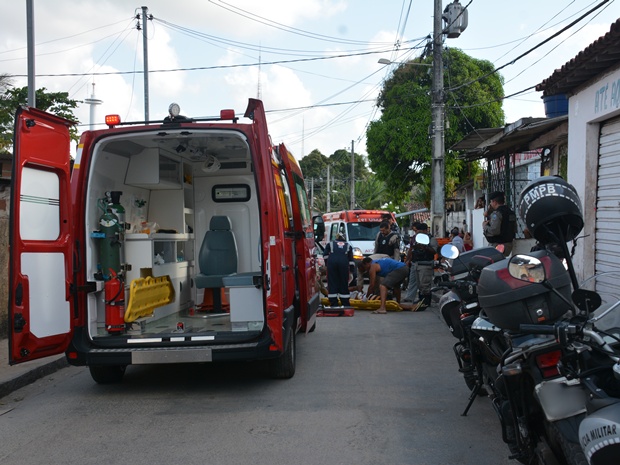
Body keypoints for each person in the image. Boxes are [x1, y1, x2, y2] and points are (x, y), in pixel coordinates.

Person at [410, 223, 438, 311]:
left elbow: (434, 251)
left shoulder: (431, 239)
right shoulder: (418, 238)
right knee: (419, 284)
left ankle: (425, 302)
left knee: (425, 284)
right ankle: (421, 300)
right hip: (417, 263)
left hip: (426, 264)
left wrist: (425, 247)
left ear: (426, 230)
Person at [323, 233, 355, 307]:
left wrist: (328, 264)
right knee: (343, 283)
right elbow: (351, 260)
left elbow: (325, 256)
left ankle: (334, 303)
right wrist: (351, 271)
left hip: (332, 263)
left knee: (332, 283)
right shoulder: (348, 246)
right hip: (344, 264)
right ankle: (345, 303)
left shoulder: (330, 244)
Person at [483, 191, 517, 257]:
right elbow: (515, 229)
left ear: (494, 202)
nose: (490, 204)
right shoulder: (511, 212)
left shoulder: (497, 213)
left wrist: (485, 226)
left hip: (498, 245)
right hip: (508, 244)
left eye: (491, 202)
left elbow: (494, 230)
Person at [402, 221, 422, 303]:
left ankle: (422, 298)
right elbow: (411, 249)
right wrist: (408, 260)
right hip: (414, 261)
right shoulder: (414, 237)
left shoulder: (423, 238)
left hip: (422, 262)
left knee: (422, 282)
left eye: (416, 230)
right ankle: (410, 297)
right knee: (412, 280)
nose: (416, 232)